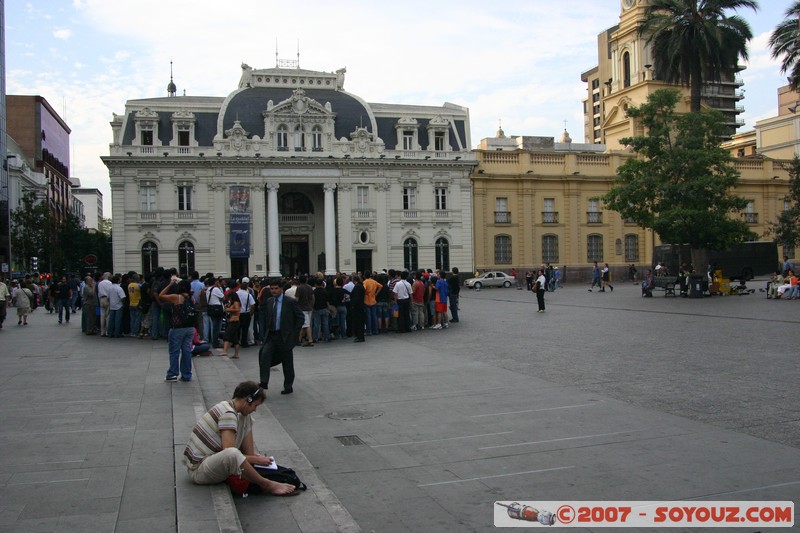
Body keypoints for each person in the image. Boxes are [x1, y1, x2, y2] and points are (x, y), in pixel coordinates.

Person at [183, 381, 296, 495]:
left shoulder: (230, 408)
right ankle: (267, 485)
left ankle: (258, 473)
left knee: (247, 417)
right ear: (248, 399)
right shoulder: (228, 414)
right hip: (198, 471)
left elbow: (242, 454)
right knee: (232, 453)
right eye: (255, 405)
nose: (255, 409)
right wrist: (256, 460)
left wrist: (252, 457)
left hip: (209, 462)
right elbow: (229, 453)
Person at [258, 279, 304, 394]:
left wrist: (294, 332)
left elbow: (300, 317)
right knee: (264, 355)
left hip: (284, 336)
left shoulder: (289, 302)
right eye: (272, 289)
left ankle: (288, 386)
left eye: (276, 288)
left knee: (287, 362)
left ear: (281, 289)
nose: (274, 291)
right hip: (272, 335)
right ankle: (264, 381)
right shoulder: (269, 301)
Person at [161, 278, 195, 382]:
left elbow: (161, 295)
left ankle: (172, 374)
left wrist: (170, 284)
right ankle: (186, 375)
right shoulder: (191, 298)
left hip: (178, 328)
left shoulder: (176, 297)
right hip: (190, 328)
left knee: (174, 351)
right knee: (186, 351)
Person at [294, 275, 315, 347]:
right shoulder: (309, 287)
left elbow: (296, 298)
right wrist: (312, 305)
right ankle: (298, 339)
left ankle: (310, 339)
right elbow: (313, 297)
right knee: (304, 324)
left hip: (302, 308)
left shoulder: (299, 288)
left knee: (306, 325)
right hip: (309, 307)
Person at [222, 290, 242, 359]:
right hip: (233, 320)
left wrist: (229, 309)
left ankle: (225, 351)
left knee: (226, 336)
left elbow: (237, 309)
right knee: (235, 338)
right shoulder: (233, 303)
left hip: (234, 321)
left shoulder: (236, 302)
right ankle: (236, 354)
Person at [350, 275, 366, 342]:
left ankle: (360, 336)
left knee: (358, 322)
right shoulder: (361, 286)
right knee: (360, 322)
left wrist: (353, 305)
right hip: (361, 305)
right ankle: (360, 336)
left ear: (354, 280)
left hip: (357, 307)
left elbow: (356, 298)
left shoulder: (357, 287)